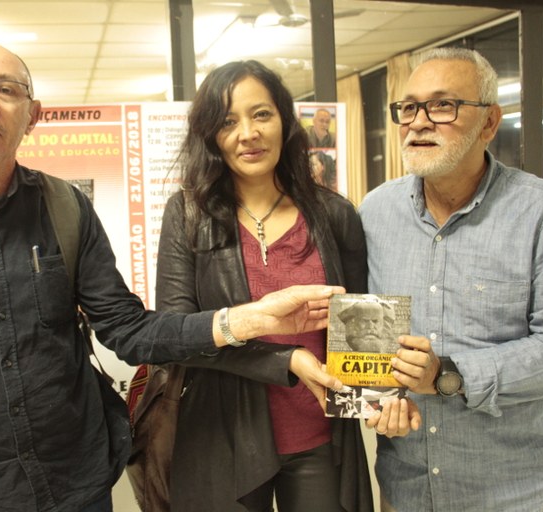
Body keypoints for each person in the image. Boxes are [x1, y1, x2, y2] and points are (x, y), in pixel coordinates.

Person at [0, 42, 356, 512]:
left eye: (6, 89)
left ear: (33, 116)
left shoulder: (65, 208)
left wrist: (239, 320)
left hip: (78, 482)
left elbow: (127, 329)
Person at [155, 60, 419, 512]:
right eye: (227, 121)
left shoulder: (334, 214)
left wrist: (382, 402)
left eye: (261, 114)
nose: (248, 133)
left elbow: (359, 334)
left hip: (320, 439)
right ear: (210, 136)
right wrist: (287, 360)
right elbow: (176, 337)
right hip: (222, 439)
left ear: (285, 120)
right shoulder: (188, 215)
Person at [360, 47, 543, 512]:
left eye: (443, 105)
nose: (419, 121)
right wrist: (376, 397)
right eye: (408, 108)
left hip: (519, 495)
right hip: (406, 493)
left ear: (489, 123)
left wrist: (449, 375)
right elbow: (369, 332)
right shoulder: (374, 211)